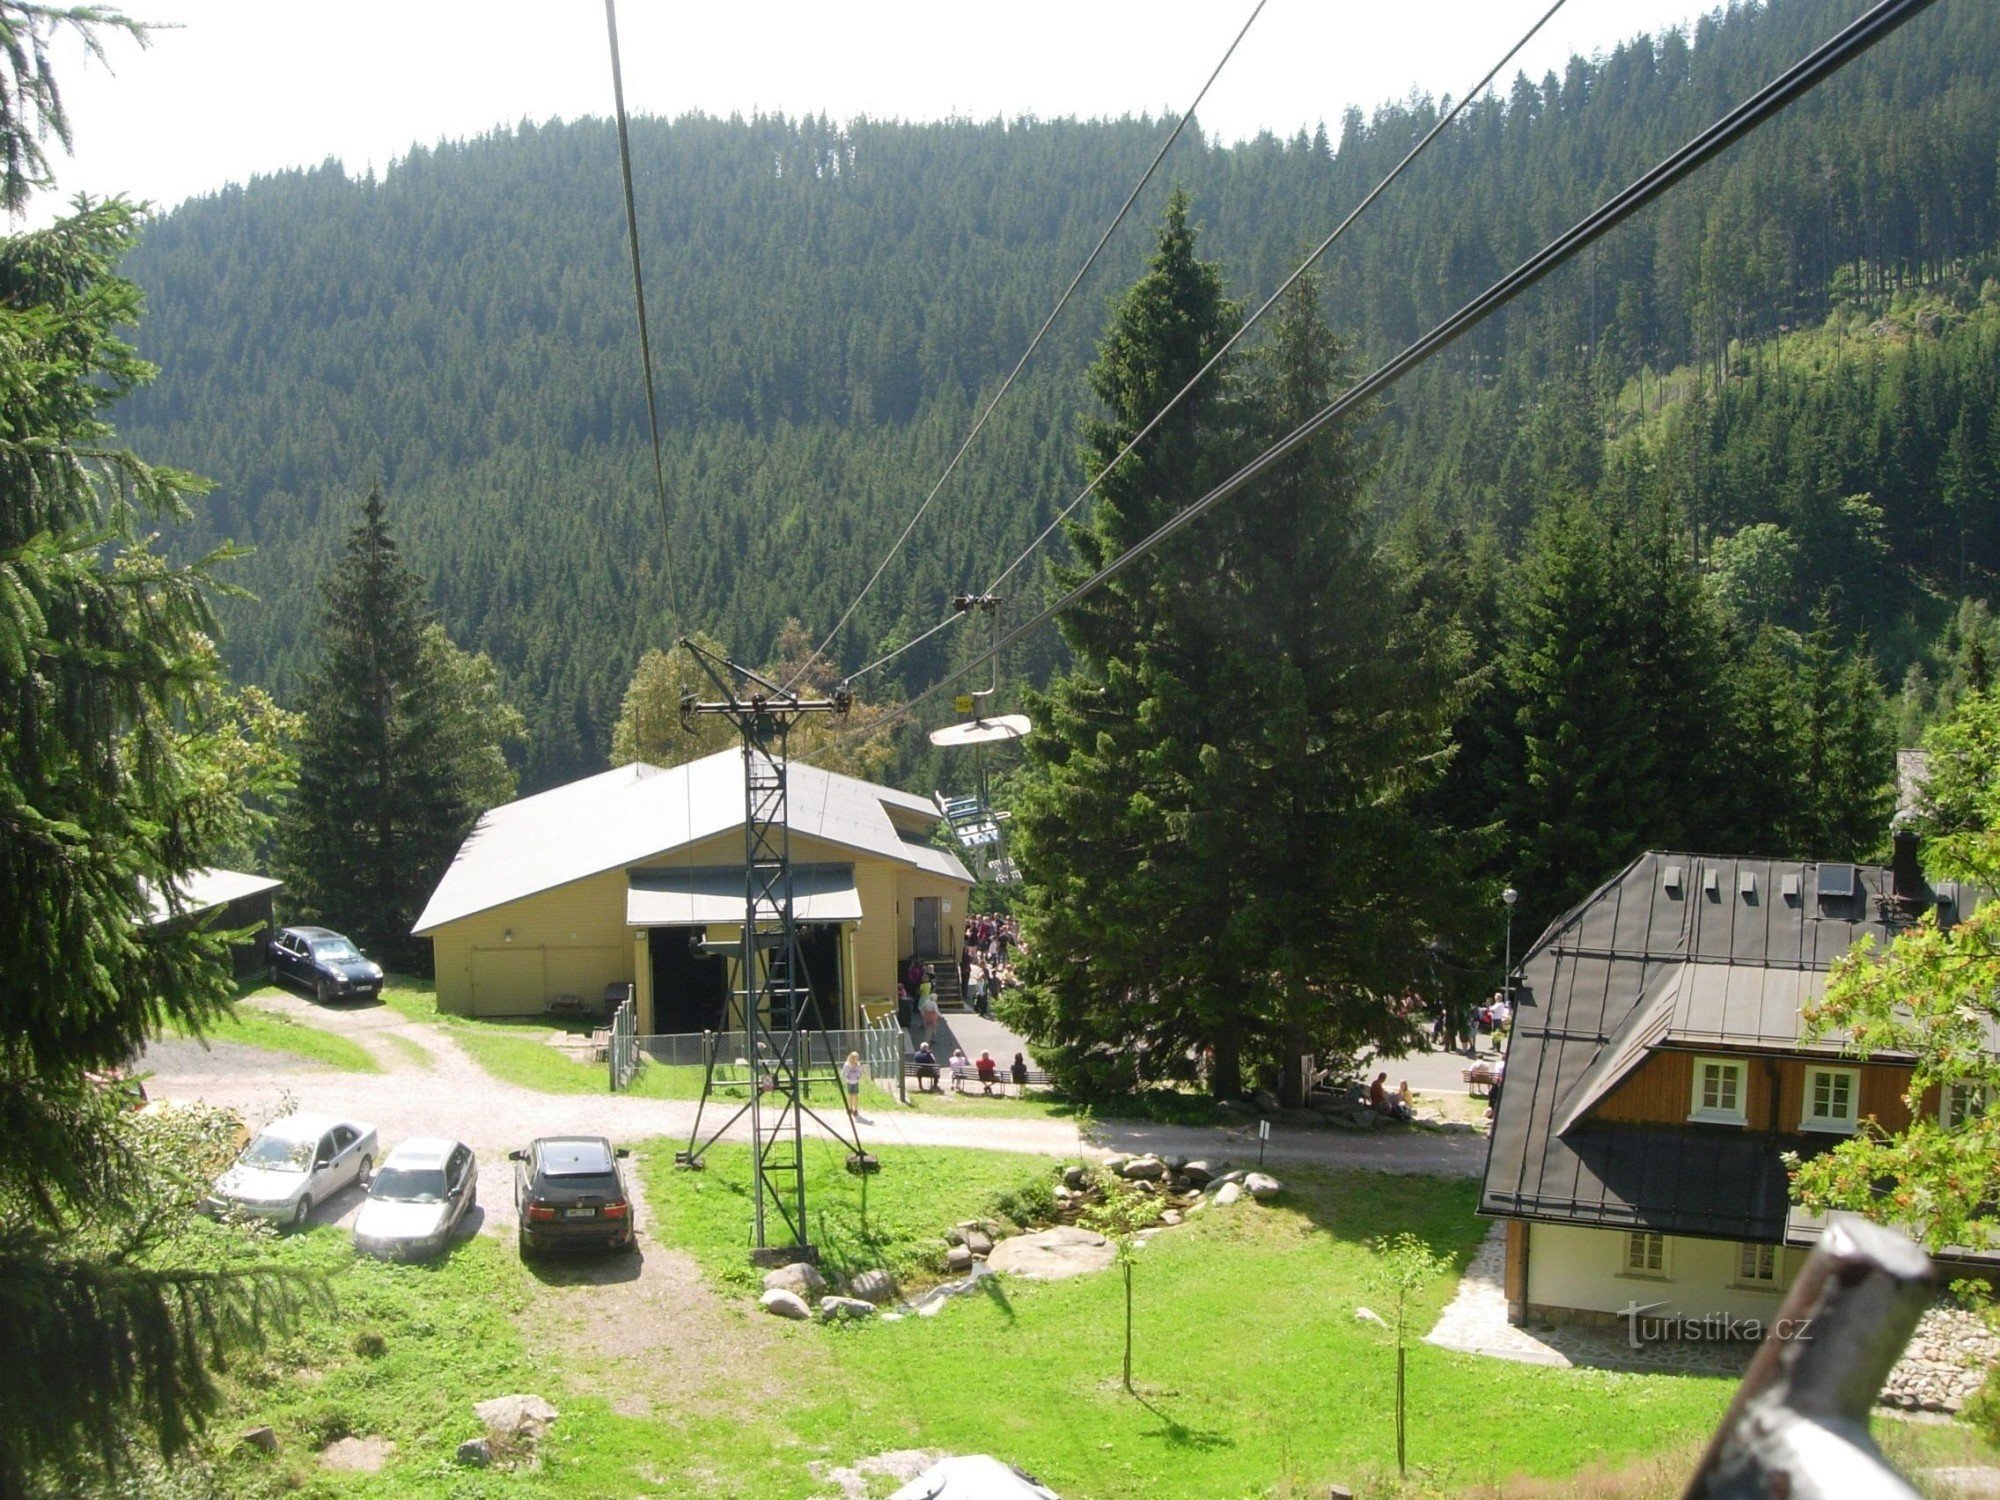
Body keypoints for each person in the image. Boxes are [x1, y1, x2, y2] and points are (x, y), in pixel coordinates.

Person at [842, 1050, 870, 1125]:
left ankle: (855, 1109)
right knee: (850, 1095)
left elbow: (860, 1072)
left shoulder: (858, 1064)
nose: (857, 1060)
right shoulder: (847, 1064)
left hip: (855, 1082)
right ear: (852, 1058)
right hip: (849, 1081)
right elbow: (843, 1072)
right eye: (856, 1058)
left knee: (855, 1095)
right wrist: (847, 1077)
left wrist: (858, 1077)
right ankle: (850, 1108)